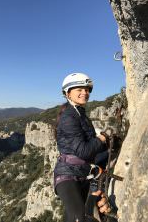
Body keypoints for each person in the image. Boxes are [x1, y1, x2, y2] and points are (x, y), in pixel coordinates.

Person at [54, 72, 111, 222]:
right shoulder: (69, 117)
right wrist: (102, 138)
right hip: (67, 175)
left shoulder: (80, 115)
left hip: (82, 173)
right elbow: (84, 151)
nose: (84, 93)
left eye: (86, 90)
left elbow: (89, 146)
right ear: (68, 93)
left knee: (72, 217)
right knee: (79, 217)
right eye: (79, 89)